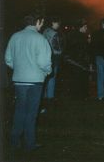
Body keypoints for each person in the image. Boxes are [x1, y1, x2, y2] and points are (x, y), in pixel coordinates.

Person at [5, 15, 52, 151]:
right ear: (37, 22)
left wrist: (19, 68)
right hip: (35, 81)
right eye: (41, 23)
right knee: (31, 113)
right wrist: (46, 72)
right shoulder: (40, 38)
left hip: (19, 80)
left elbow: (8, 59)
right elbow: (44, 63)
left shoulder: (15, 37)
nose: (42, 25)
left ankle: (14, 141)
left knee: (19, 110)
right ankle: (29, 143)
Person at [64, 19, 92, 100]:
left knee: (75, 79)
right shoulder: (82, 37)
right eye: (85, 27)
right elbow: (84, 50)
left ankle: (75, 95)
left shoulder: (71, 35)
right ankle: (83, 95)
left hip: (73, 61)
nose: (86, 28)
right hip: (80, 61)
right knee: (82, 79)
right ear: (81, 27)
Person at [43, 17, 63, 102]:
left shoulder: (45, 31)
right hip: (54, 57)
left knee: (45, 77)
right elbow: (57, 47)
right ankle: (50, 96)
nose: (58, 25)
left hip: (44, 56)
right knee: (52, 77)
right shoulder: (54, 33)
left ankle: (44, 95)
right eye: (57, 23)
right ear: (53, 22)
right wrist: (61, 51)